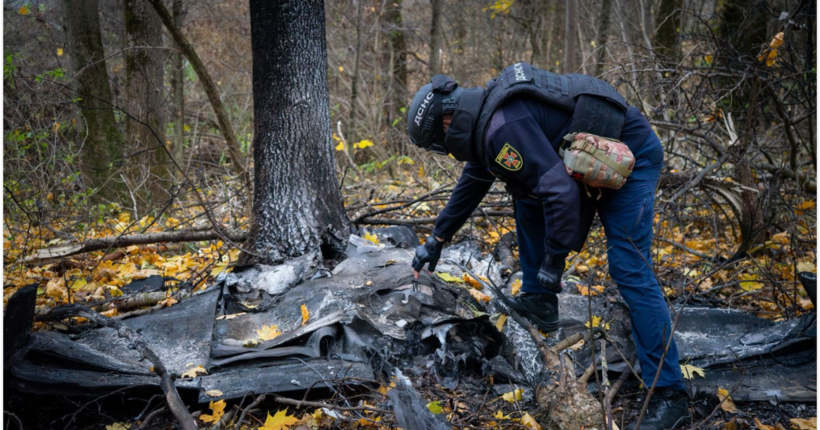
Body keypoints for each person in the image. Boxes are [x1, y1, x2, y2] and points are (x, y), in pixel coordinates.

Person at [407, 63, 689, 430]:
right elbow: (473, 182)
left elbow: (560, 193)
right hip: (587, 160)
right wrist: (436, 240)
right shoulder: (486, 124)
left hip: (629, 157)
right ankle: (539, 300)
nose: (443, 150)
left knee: (629, 267)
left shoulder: (502, 128)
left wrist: (554, 262)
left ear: (447, 124)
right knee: (525, 195)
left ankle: (670, 393)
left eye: (437, 144)